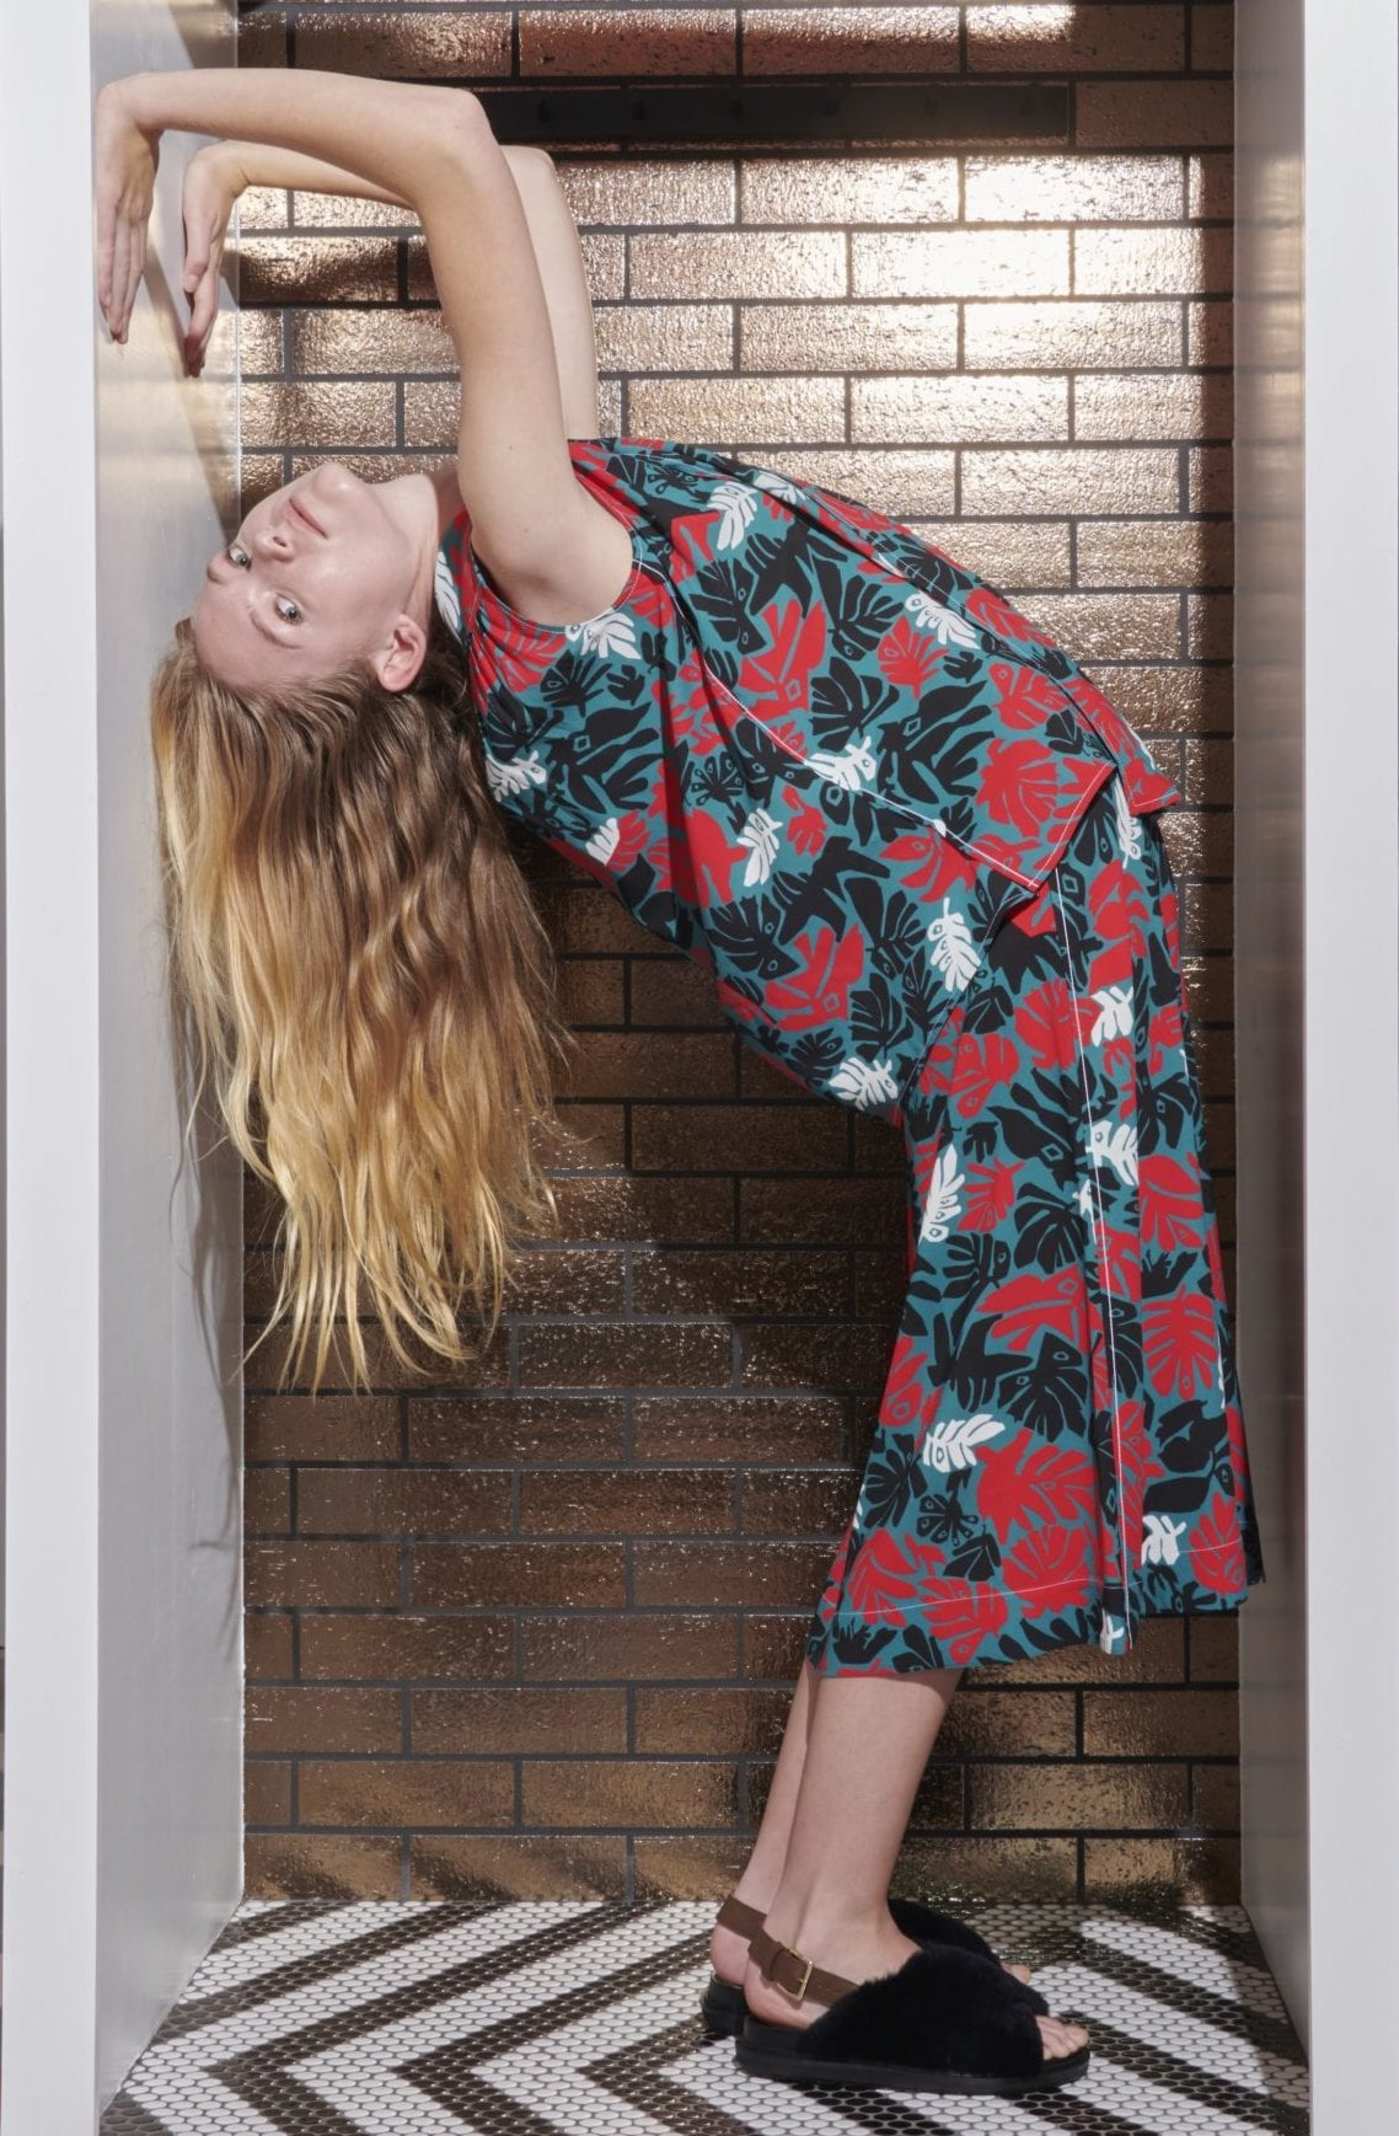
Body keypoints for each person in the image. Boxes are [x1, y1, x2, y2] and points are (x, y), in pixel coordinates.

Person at [95, 64, 1263, 2100]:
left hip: (1019, 963)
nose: (276, 543)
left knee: (961, 1427)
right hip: (1021, 981)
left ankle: (778, 1924)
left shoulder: (521, 506)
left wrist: (246, 175)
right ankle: (825, 1940)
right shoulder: (533, 554)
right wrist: (160, 124)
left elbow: (511, 173)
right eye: (280, 606)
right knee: (973, 1449)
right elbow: (449, 153)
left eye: (249, 565)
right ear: (387, 664)